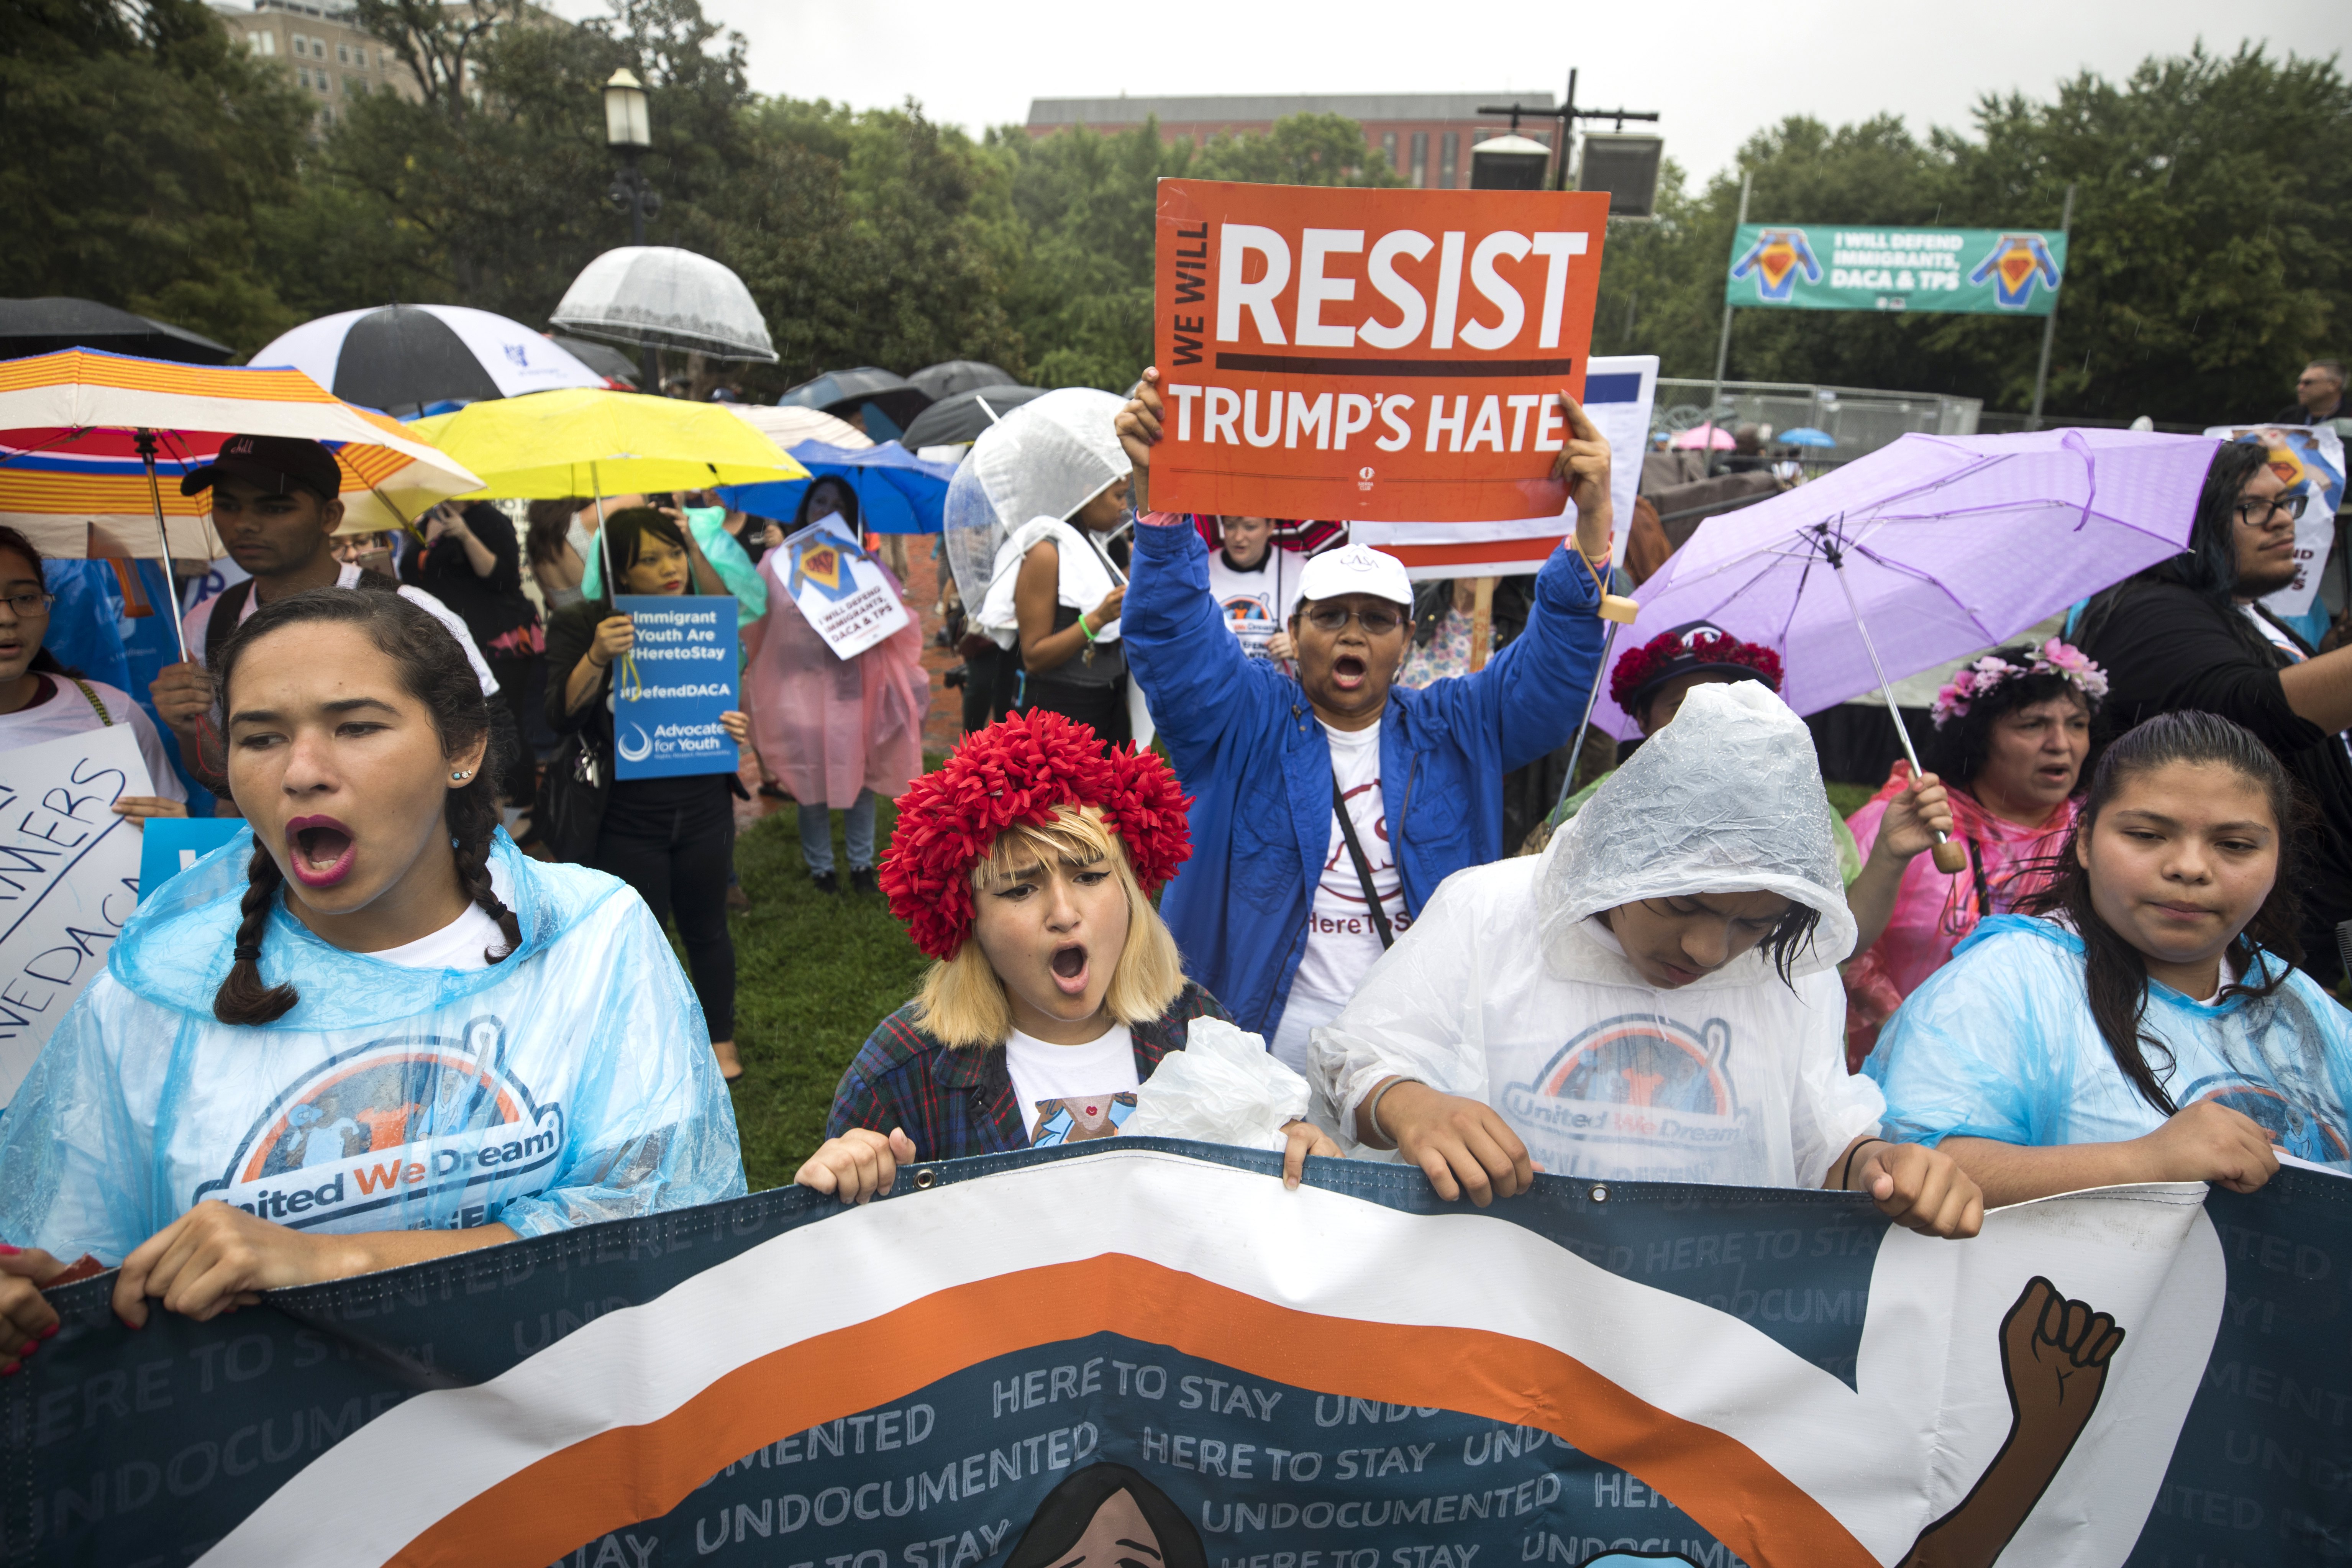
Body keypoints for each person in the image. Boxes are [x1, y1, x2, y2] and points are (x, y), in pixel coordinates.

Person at [0, 588, 743, 1367]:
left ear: (462, 749)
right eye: (261, 738)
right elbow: (84, 1263)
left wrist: (333, 1264)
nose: (303, 772)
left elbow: (659, 1226)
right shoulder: (156, 994)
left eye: (356, 727)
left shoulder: (588, 937)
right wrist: (41, 1304)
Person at [1309, 682, 1981, 1236]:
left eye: (1752, 922)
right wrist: (1410, 1103)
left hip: (1702, 1334)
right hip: (1497, 1315)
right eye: (1682, 906)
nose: (1707, 950)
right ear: (1625, 857)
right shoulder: (1489, 910)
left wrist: (1880, 1166)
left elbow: (1818, 1143)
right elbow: (1359, 1058)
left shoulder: (1792, 974)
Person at [1114, 371, 1611, 1076]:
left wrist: (1591, 527)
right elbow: (1171, 636)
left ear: (1406, 639)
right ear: (1295, 628)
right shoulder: (1241, 720)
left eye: (1376, 619)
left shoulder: (1456, 726)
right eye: (1331, 616)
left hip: (1418, 1058)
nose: (1353, 634)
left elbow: (1548, 680)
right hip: (1248, 1059)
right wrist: (1158, 502)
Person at [796, 710, 1338, 1202]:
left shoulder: (1195, 1027)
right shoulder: (901, 1077)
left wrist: (1294, 1152)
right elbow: (840, 1268)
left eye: (1089, 876)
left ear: (1129, 892)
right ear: (969, 922)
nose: (1063, 912)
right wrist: (850, 1174)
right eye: (1019, 889)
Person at [1866, 711, 2352, 1205]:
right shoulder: (2001, 985)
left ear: (2277, 860)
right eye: (2146, 835)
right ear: (2084, 842)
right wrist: (2143, 1161)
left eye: (2234, 845)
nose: (2189, 867)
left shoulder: (2300, 1002)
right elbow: (1908, 1171)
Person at [2075, 438, 2352, 978]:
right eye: (2251, 507)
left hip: (2288, 916)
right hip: (2221, 930)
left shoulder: (2247, 612)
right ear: (2189, 521)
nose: (2280, 522)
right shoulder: (2149, 609)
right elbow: (2256, 713)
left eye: (2286, 503)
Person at [149, 435, 508, 798]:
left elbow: (484, 736)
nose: (244, 523)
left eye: (273, 508)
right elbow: (221, 775)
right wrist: (186, 728)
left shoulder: (411, 612)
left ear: (330, 516)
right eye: (227, 506)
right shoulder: (206, 624)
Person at [543, 507, 753, 1080]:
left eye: (674, 554)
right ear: (619, 572)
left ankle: (719, 1040)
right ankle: (644, 1043)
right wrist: (597, 657)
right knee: (639, 936)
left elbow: (728, 613)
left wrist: (733, 728)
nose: (670, 569)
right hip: (622, 817)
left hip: (705, 806)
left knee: (708, 927)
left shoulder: (697, 622)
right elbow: (558, 715)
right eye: (650, 559)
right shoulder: (582, 623)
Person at [1842, 640, 2105, 1061]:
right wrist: (1906, 1027)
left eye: (2077, 724)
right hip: (1904, 1065)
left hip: (2053, 1065)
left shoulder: (2100, 835)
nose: (2061, 744)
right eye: (2032, 725)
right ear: (1980, 737)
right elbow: (1833, 941)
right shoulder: (1907, 822)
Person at [744, 502, 926, 895]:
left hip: (852, 694)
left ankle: (862, 864)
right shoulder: (777, 564)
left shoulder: (866, 565)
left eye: (838, 503)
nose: (828, 512)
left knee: (858, 777)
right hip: (800, 696)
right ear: (804, 508)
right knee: (809, 780)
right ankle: (821, 867)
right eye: (820, 502)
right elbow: (756, 623)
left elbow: (898, 624)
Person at [0, 525, 187, 827]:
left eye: (24, 598)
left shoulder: (111, 712)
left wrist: (173, 833)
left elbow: (170, 851)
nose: (7, 618)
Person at [402, 501, 545, 804]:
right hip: (444, 641)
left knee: (506, 724)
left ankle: (520, 803)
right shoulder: (423, 523)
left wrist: (467, 536)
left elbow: (504, 578)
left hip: (499, 641)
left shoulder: (489, 520)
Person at [1205, 514, 1303, 663]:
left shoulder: (1299, 570)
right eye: (1230, 525)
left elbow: (1321, 634)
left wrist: (1300, 646)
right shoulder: (1203, 571)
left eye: (1250, 527)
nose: (1238, 537)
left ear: (1270, 526)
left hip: (1278, 684)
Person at [524, 497, 590, 612]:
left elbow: (551, 602)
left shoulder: (534, 542)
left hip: (567, 625)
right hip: (603, 622)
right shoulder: (581, 522)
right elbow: (631, 501)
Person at [2274, 359, 2347, 425]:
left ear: (2333, 385)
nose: (2299, 388)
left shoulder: (2349, 417)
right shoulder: (2288, 416)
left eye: (2308, 383)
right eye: (2300, 383)